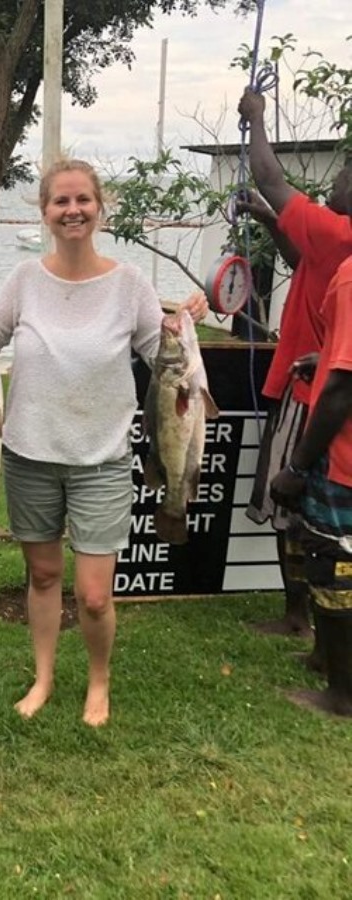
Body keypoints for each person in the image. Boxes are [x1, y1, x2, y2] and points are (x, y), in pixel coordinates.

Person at [0, 159, 208, 725]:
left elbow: (164, 355)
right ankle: (43, 678)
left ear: (100, 208)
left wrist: (188, 317)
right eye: (60, 202)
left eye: (82, 201)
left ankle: (99, 682)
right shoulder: (24, 280)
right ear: (44, 212)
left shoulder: (129, 285)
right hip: (28, 455)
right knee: (44, 576)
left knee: (94, 595)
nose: (72, 211)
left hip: (103, 458)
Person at [237, 87, 352, 649]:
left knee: (294, 502)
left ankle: (299, 616)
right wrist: (268, 219)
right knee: (305, 511)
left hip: (313, 391)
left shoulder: (342, 233)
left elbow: (269, 175)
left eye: (346, 174)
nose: (335, 180)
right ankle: (305, 617)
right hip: (307, 378)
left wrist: (257, 118)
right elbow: (298, 260)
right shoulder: (333, 244)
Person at [270, 254, 352, 717]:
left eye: (342, 179)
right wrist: (325, 360)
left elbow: (343, 387)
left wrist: (298, 467)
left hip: (342, 457)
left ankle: (341, 693)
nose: (334, 191)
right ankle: (325, 657)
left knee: (334, 564)